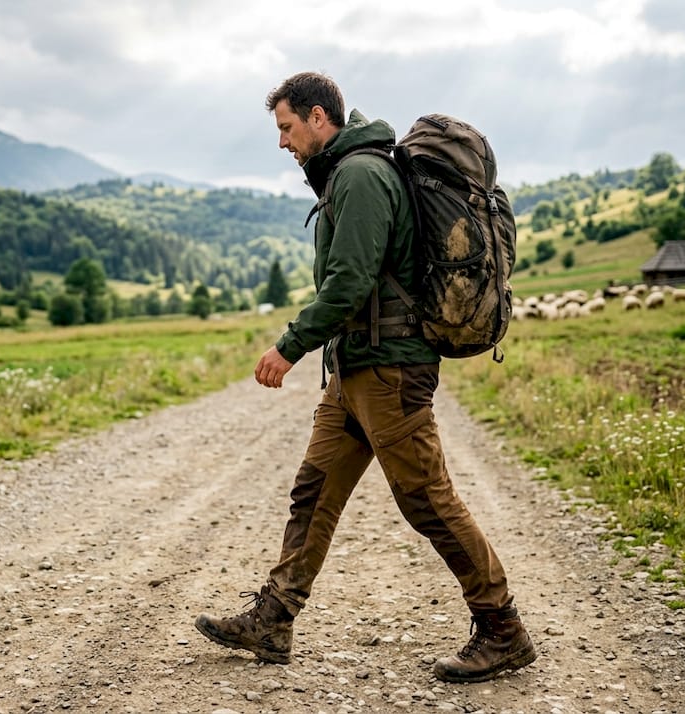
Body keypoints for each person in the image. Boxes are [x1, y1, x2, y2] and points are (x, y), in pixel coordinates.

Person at [194, 71, 537, 684]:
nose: (282, 142)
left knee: (426, 499)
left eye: (286, 127)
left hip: (390, 371)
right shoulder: (347, 173)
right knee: (315, 489)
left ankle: (503, 629)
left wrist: (289, 344)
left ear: (318, 117)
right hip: (356, 369)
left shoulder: (359, 175)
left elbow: (349, 281)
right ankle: (273, 618)